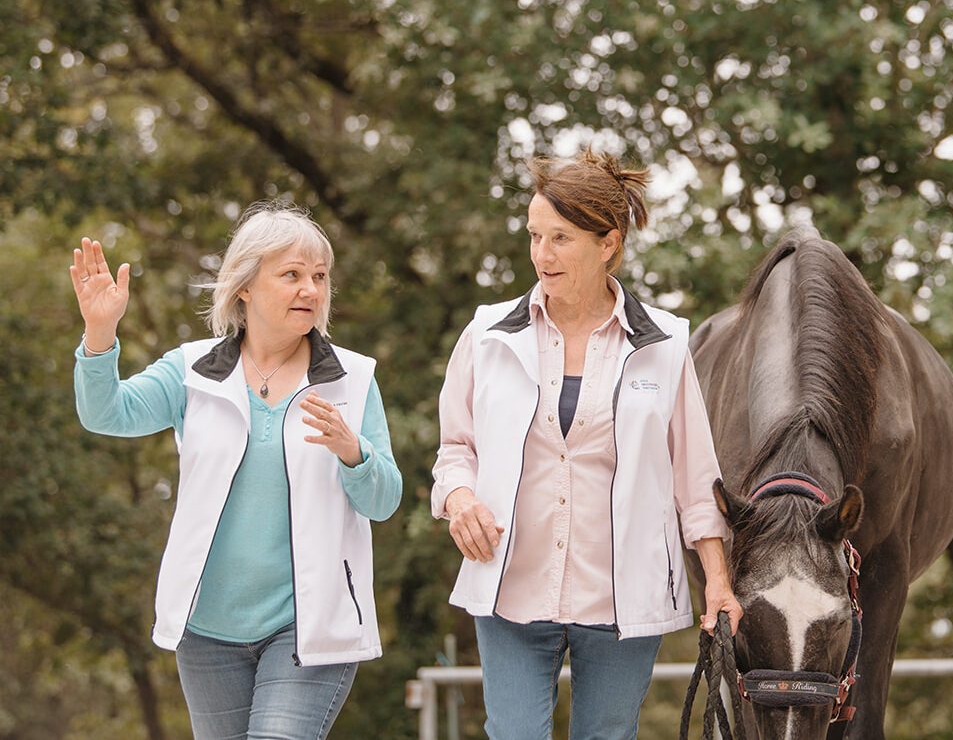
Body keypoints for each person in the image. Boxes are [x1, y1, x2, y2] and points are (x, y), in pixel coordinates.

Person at [431, 149, 743, 740]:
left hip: (623, 599)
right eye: (534, 236)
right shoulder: (487, 335)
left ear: (608, 244)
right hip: (510, 587)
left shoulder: (666, 343)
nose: (541, 255)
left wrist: (719, 582)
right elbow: (455, 451)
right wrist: (460, 500)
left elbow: (694, 478)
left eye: (561, 239)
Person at [71, 202, 401, 740]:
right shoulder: (192, 372)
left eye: (319, 277)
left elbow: (384, 500)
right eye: (291, 275)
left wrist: (352, 451)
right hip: (206, 632)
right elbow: (107, 414)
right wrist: (100, 336)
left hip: (307, 629)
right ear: (244, 286)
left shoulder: (353, 380)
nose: (311, 291)